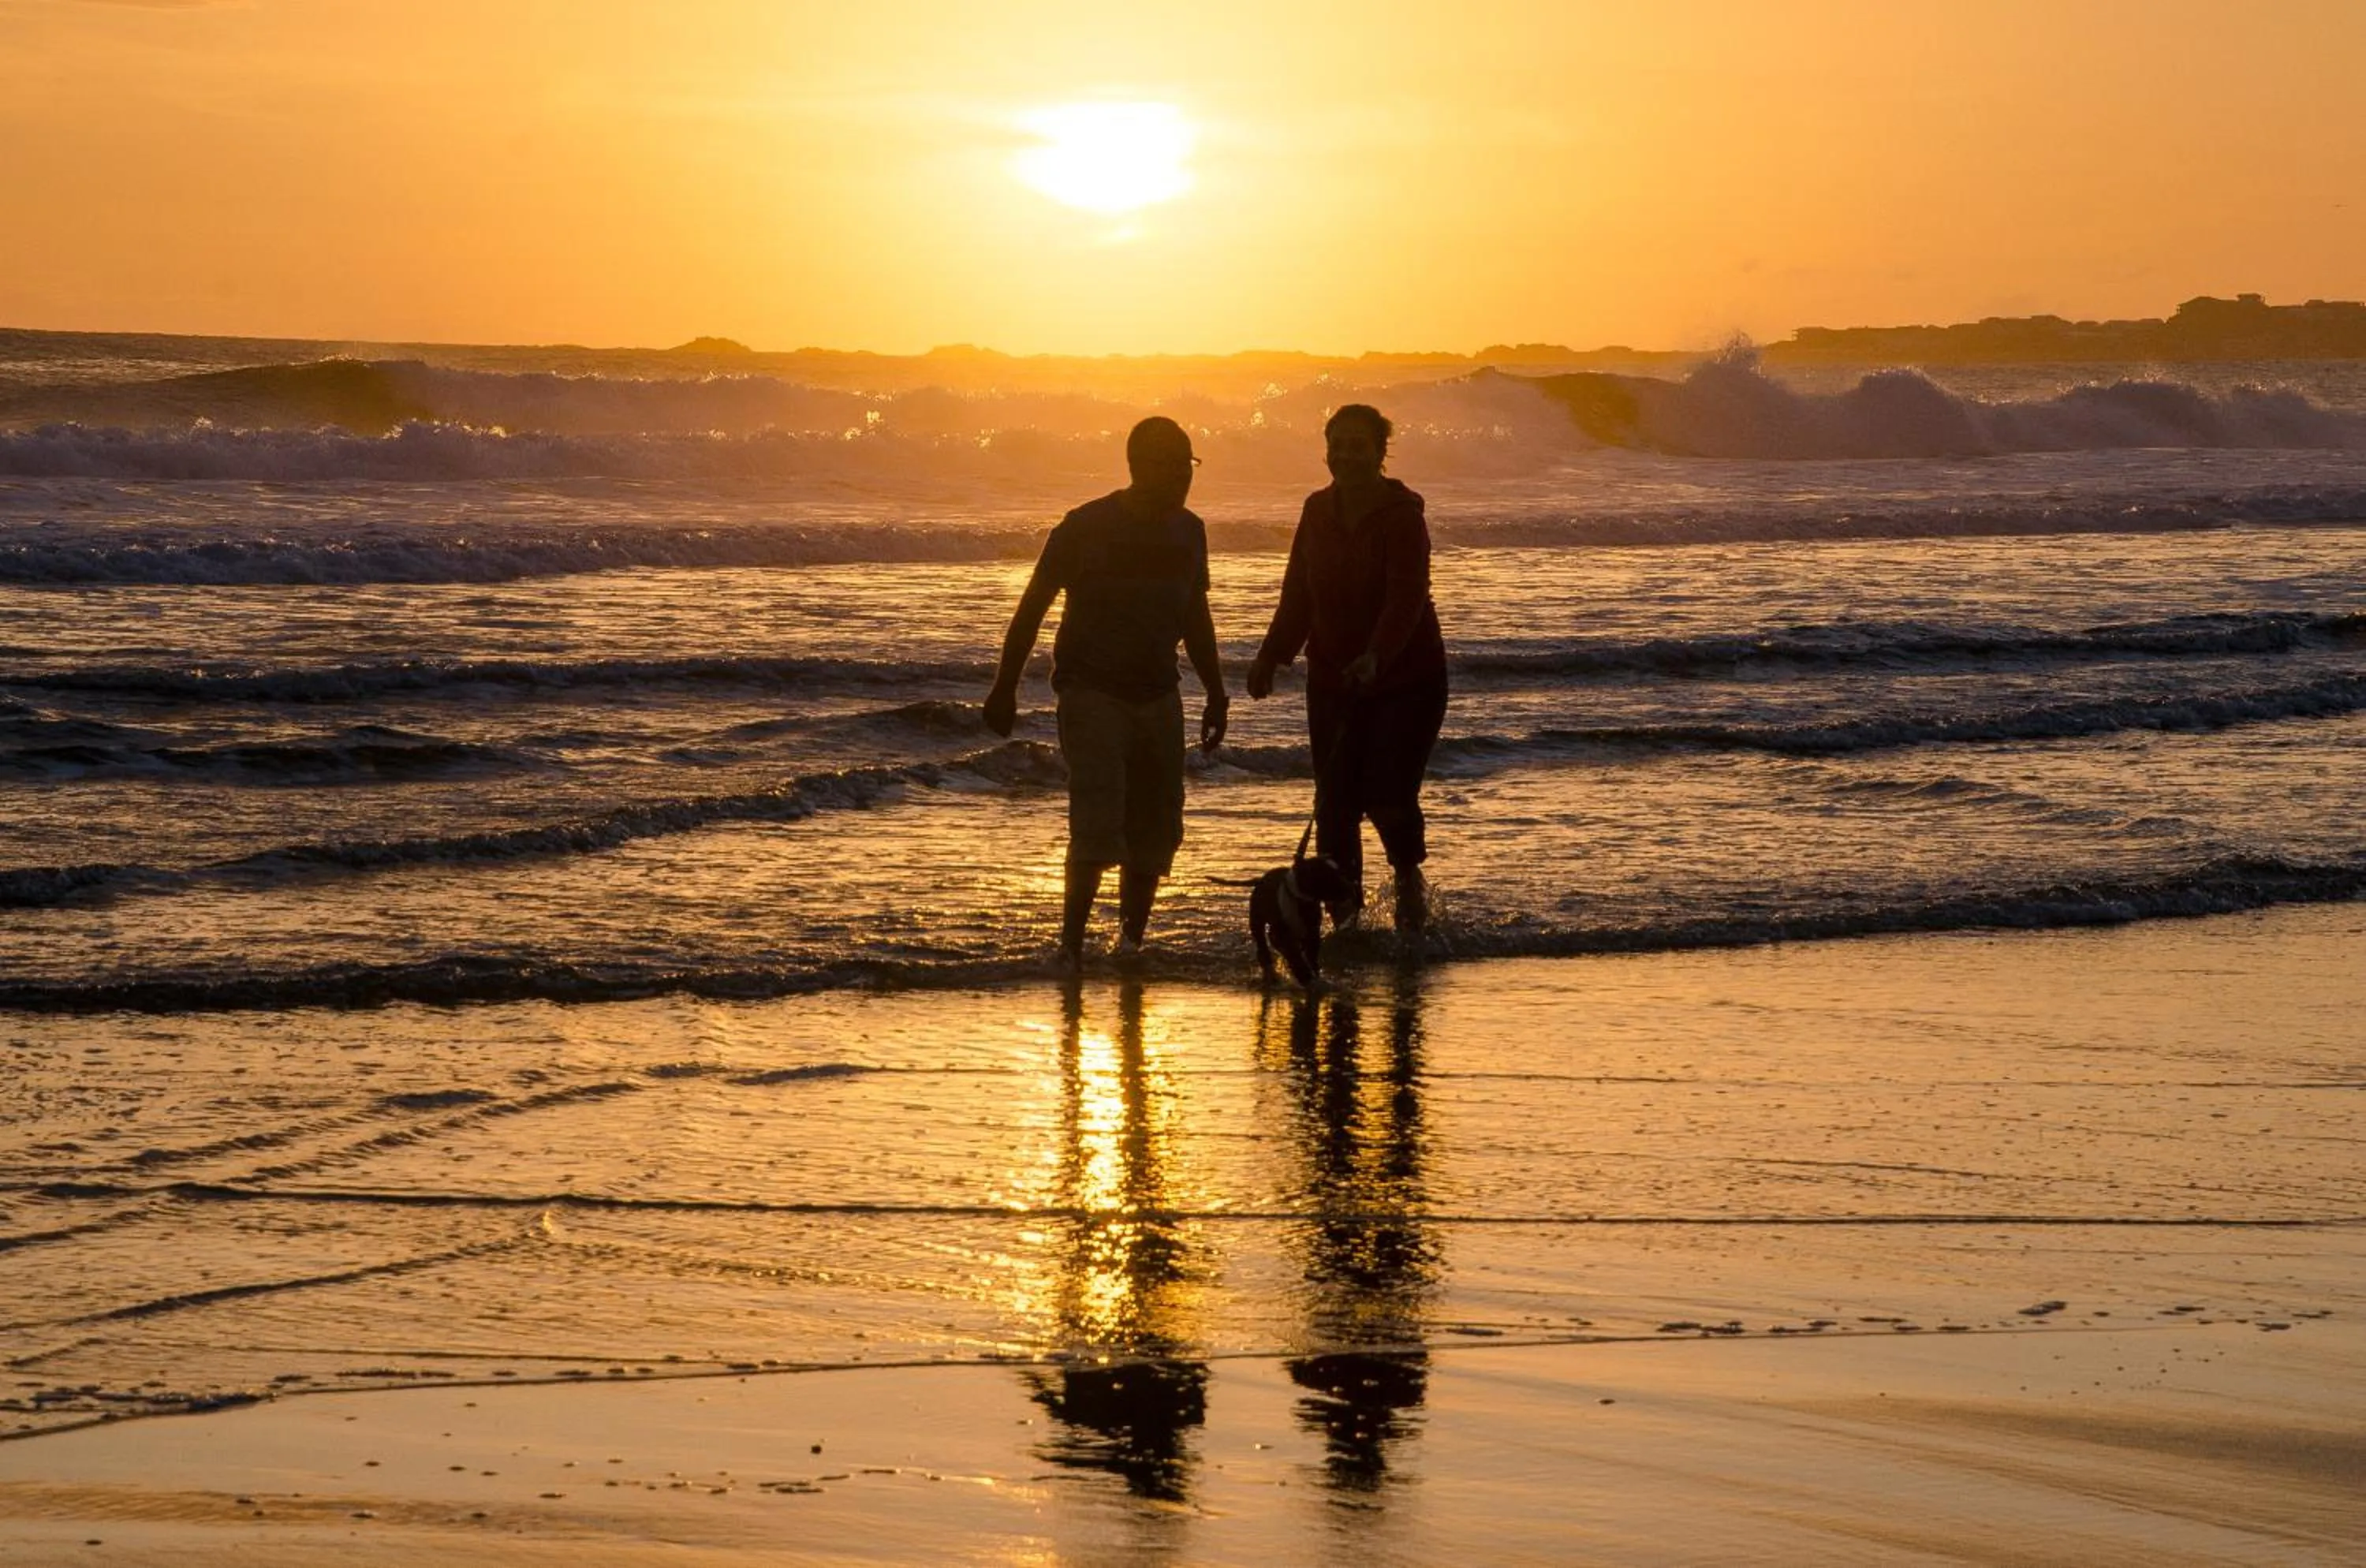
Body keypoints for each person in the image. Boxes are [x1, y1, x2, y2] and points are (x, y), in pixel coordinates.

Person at [986, 416, 1228, 966]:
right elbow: (1032, 607)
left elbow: (1195, 615)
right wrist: (1004, 688)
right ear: (1138, 466)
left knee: (1156, 829)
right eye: (1172, 465)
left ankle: (1130, 946)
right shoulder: (1084, 527)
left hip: (1160, 693)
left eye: (1188, 465)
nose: (1183, 477)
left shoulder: (1190, 531)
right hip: (1091, 692)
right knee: (1097, 824)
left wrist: (1216, 691)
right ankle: (1071, 948)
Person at [1244, 404, 1447, 934]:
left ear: (1381, 453)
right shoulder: (1316, 510)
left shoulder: (1402, 517)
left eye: (1359, 446)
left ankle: (1407, 882)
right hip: (1333, 677)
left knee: (1387, 795)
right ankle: (1347, 920)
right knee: (1333, 805)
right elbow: (1298, 591)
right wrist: (1272, 654)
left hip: (1408, 679)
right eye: (1338, 445)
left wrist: (1377, 655)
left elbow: (1407, 597)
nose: (1347, 456)